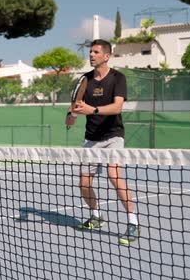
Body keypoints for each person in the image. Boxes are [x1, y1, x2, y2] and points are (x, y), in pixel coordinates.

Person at [66, 39, 139, 244]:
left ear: (106, 56)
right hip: (91, 138)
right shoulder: (85, 80)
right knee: (84, 183)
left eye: (96, 52)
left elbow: (117, 108)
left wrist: (93, 110)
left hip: (114, 136)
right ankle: (96, 216)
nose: (91, 55)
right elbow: (73, 111)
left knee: (114, 176)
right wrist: (71, 115)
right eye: (90, 51)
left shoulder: (118, 78)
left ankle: (132, 223)